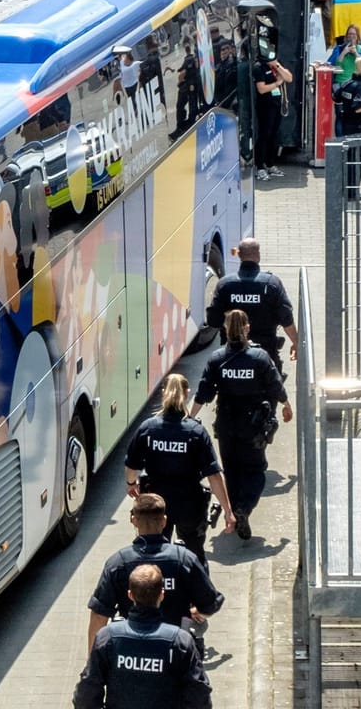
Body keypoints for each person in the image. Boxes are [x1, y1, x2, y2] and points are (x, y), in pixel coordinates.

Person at [189, 310, 291, 541]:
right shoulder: (260, 357)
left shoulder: (217, 359)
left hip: (226, 425)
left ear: (225, 329)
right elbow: (275, 385)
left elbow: (204, 392)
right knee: (255, 470)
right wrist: (286, 405)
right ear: (247, 328)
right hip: (252, 425)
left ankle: (233, 514)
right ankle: (243, 508)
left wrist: (188, 417)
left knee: (232, 471)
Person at [87, 494, 226, 656]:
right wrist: (196, 613)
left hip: (132, 653)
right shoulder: (185, 560)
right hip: (177, 653)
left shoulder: (118, 563)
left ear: (133, 520)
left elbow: (99, 615)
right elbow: (210, 604)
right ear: (164, 521)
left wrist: (93, 664)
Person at [124, 374, 235, 564]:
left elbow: (131, 466)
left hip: (155, 504)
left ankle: (158, 590)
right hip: (189, 503)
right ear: (186, 394)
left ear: (163, 393)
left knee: (153, 556)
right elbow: (214, 476)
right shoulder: (195, 432)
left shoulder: (148, 428)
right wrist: (227, 510)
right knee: (193, 556)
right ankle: (198, 592)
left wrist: (131, 483)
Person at [74, 564, 213, 709]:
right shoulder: (180, 641)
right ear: (162, 595)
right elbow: (199, 696)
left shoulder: (107, 637)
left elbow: (86, 694)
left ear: (130, 595)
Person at [207, 237, 300, 377]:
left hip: (231, 357)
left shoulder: (225, 284)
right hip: (267, 353)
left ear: (239, 255)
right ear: (258, 255)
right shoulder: (272, 284)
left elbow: (213, 320)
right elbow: (286, 318)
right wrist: (296, 342)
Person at [333, 56, 361, 200]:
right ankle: (353, 192)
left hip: (346, 125)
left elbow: (336, 97)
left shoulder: (347, 83)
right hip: (358, 127)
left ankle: (346, 190)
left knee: (348, 159)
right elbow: (357, 107)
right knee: (356, 161)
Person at [253, 50, 292, 182]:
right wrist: (277, 83)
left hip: (277, 105)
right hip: (265, 107)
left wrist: (277, 66)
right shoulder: (259, 68)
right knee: (264, 135)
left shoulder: (277, 66)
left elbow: (289, 78)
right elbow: (261, 89)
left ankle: (270, 164)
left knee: (273, 135)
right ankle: (259, 167)